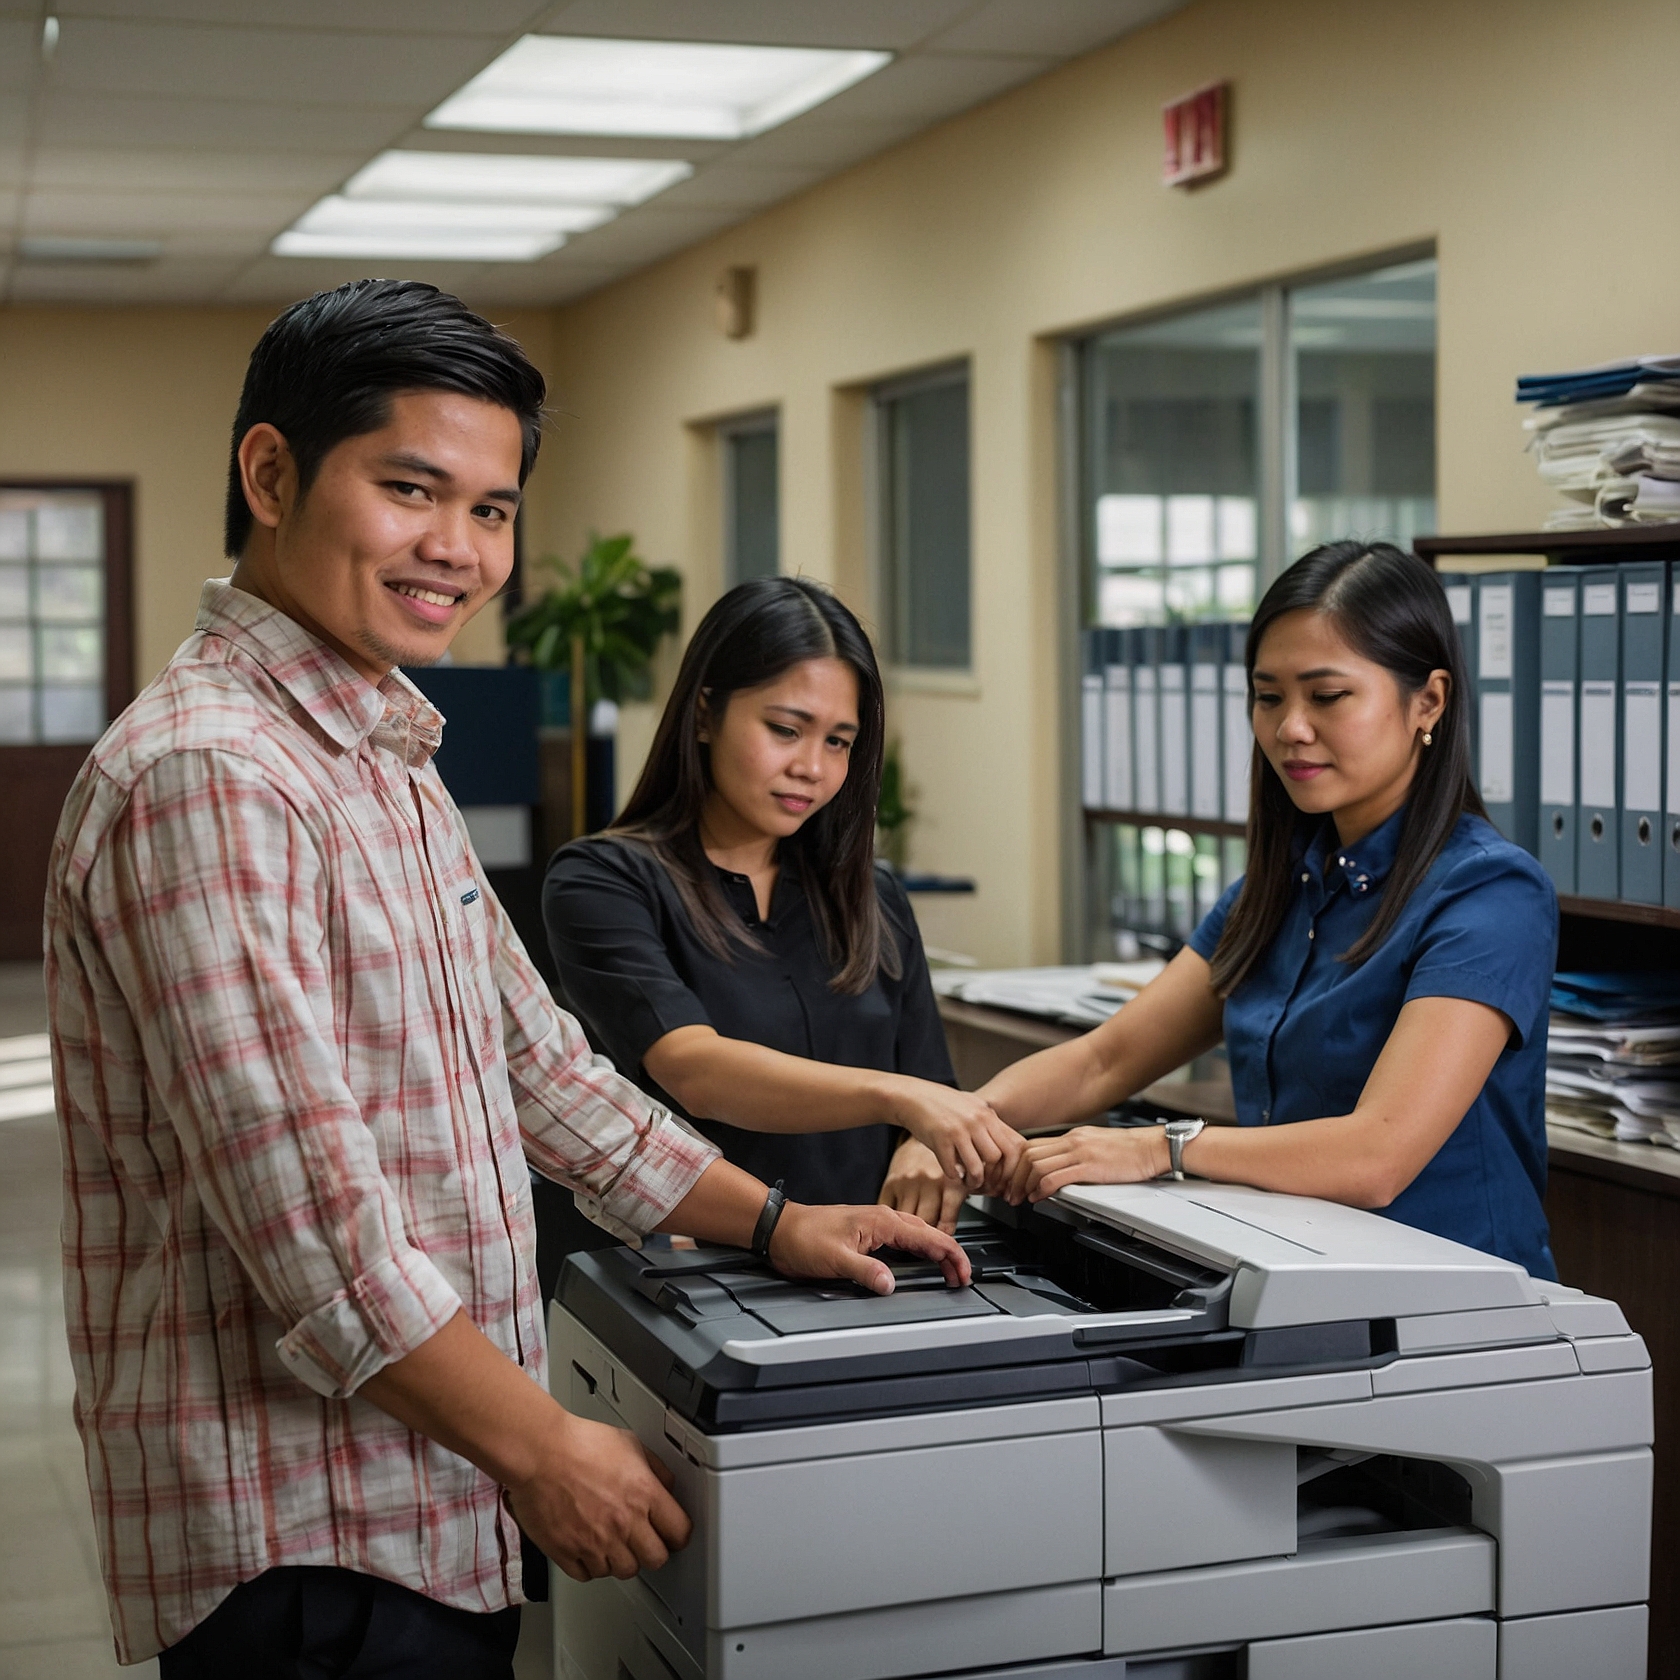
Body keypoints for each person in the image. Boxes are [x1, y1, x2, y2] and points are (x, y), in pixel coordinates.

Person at [44, 279, 967, 1678]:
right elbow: (316, 1235)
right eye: (412, 489)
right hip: (309, 1531)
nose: (459, 550)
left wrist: (776, 1224)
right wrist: (546, 1449)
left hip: (421, 1491)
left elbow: (541, 1074)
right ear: (271, 472)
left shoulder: (382, 761)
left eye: (490, 510)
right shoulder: (216, 776)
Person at [979, 541, 1559, 1278]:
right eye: (1268, 696)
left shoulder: (1490, 894)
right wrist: (962, 1124)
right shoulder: (1277, 889)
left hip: (1455, 1313)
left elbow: (1376, 1155)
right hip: (1302, 1283)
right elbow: (1106, 1060)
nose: (1290, 729)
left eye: (1326, 696)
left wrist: (1163, 1148)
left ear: (1428, 701)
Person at [542, 577, 1016, 1250]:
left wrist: (922, 1143)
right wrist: (901, 1100)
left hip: (882, 1265)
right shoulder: (603, 882)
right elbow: (696, 1071)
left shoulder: (873, 898)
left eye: (838, 742)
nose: (812, 769)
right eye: (786, 730)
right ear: (705, 714)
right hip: (701, 1270)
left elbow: (931, 1086)